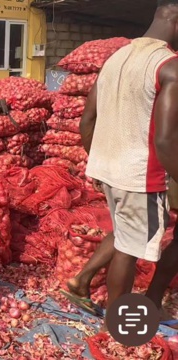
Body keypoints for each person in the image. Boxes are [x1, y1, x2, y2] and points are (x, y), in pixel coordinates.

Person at [61, 0, 178, 330]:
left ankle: (81, 282)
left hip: (109, 169)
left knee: (126, 232)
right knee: (130, 249)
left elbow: (88, 121)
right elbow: (167, 142)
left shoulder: (115, 59)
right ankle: (118, 325)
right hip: (141, 175)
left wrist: (96, 163)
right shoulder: (169, 66)